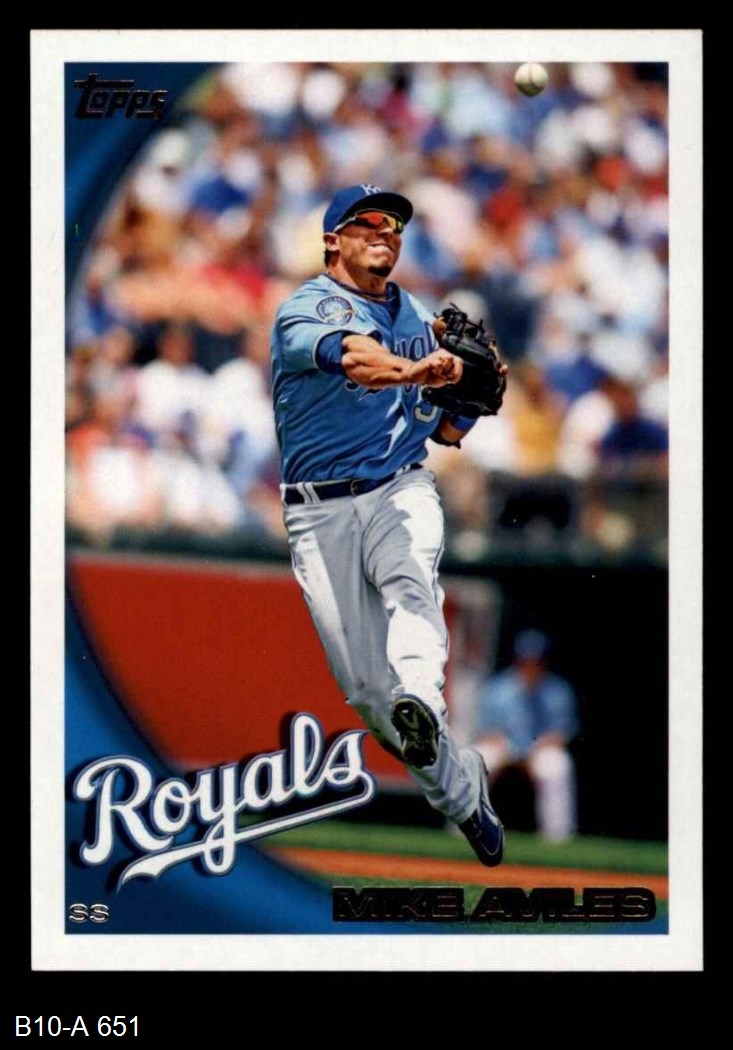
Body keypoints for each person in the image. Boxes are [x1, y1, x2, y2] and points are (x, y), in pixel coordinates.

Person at [270, 184, 505, 866]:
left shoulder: (419, 316)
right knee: (368, 693)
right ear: (332, 240)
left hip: (397, 486)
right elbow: (355, 359)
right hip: (318, 511)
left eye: (394, 224)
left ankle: (421, 698)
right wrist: (420, 369)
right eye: (367, 221)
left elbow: (447, 431)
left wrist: (474, 396)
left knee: (410, 584)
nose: (384, 230)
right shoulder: (306, 308)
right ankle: (462, 794)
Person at [474, 630, 579, 842]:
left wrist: (531, 753)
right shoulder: (498, 688)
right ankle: (466, 829)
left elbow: (561, 733)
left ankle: (557, 837)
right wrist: (507, 750)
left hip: (539, 749)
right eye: (526, 661)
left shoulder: (557, 690)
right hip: (503, 747)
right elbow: (487, 730)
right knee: (476, 760)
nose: (530, 666)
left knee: (558, 767)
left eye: (536, 661)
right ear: (517, 660)